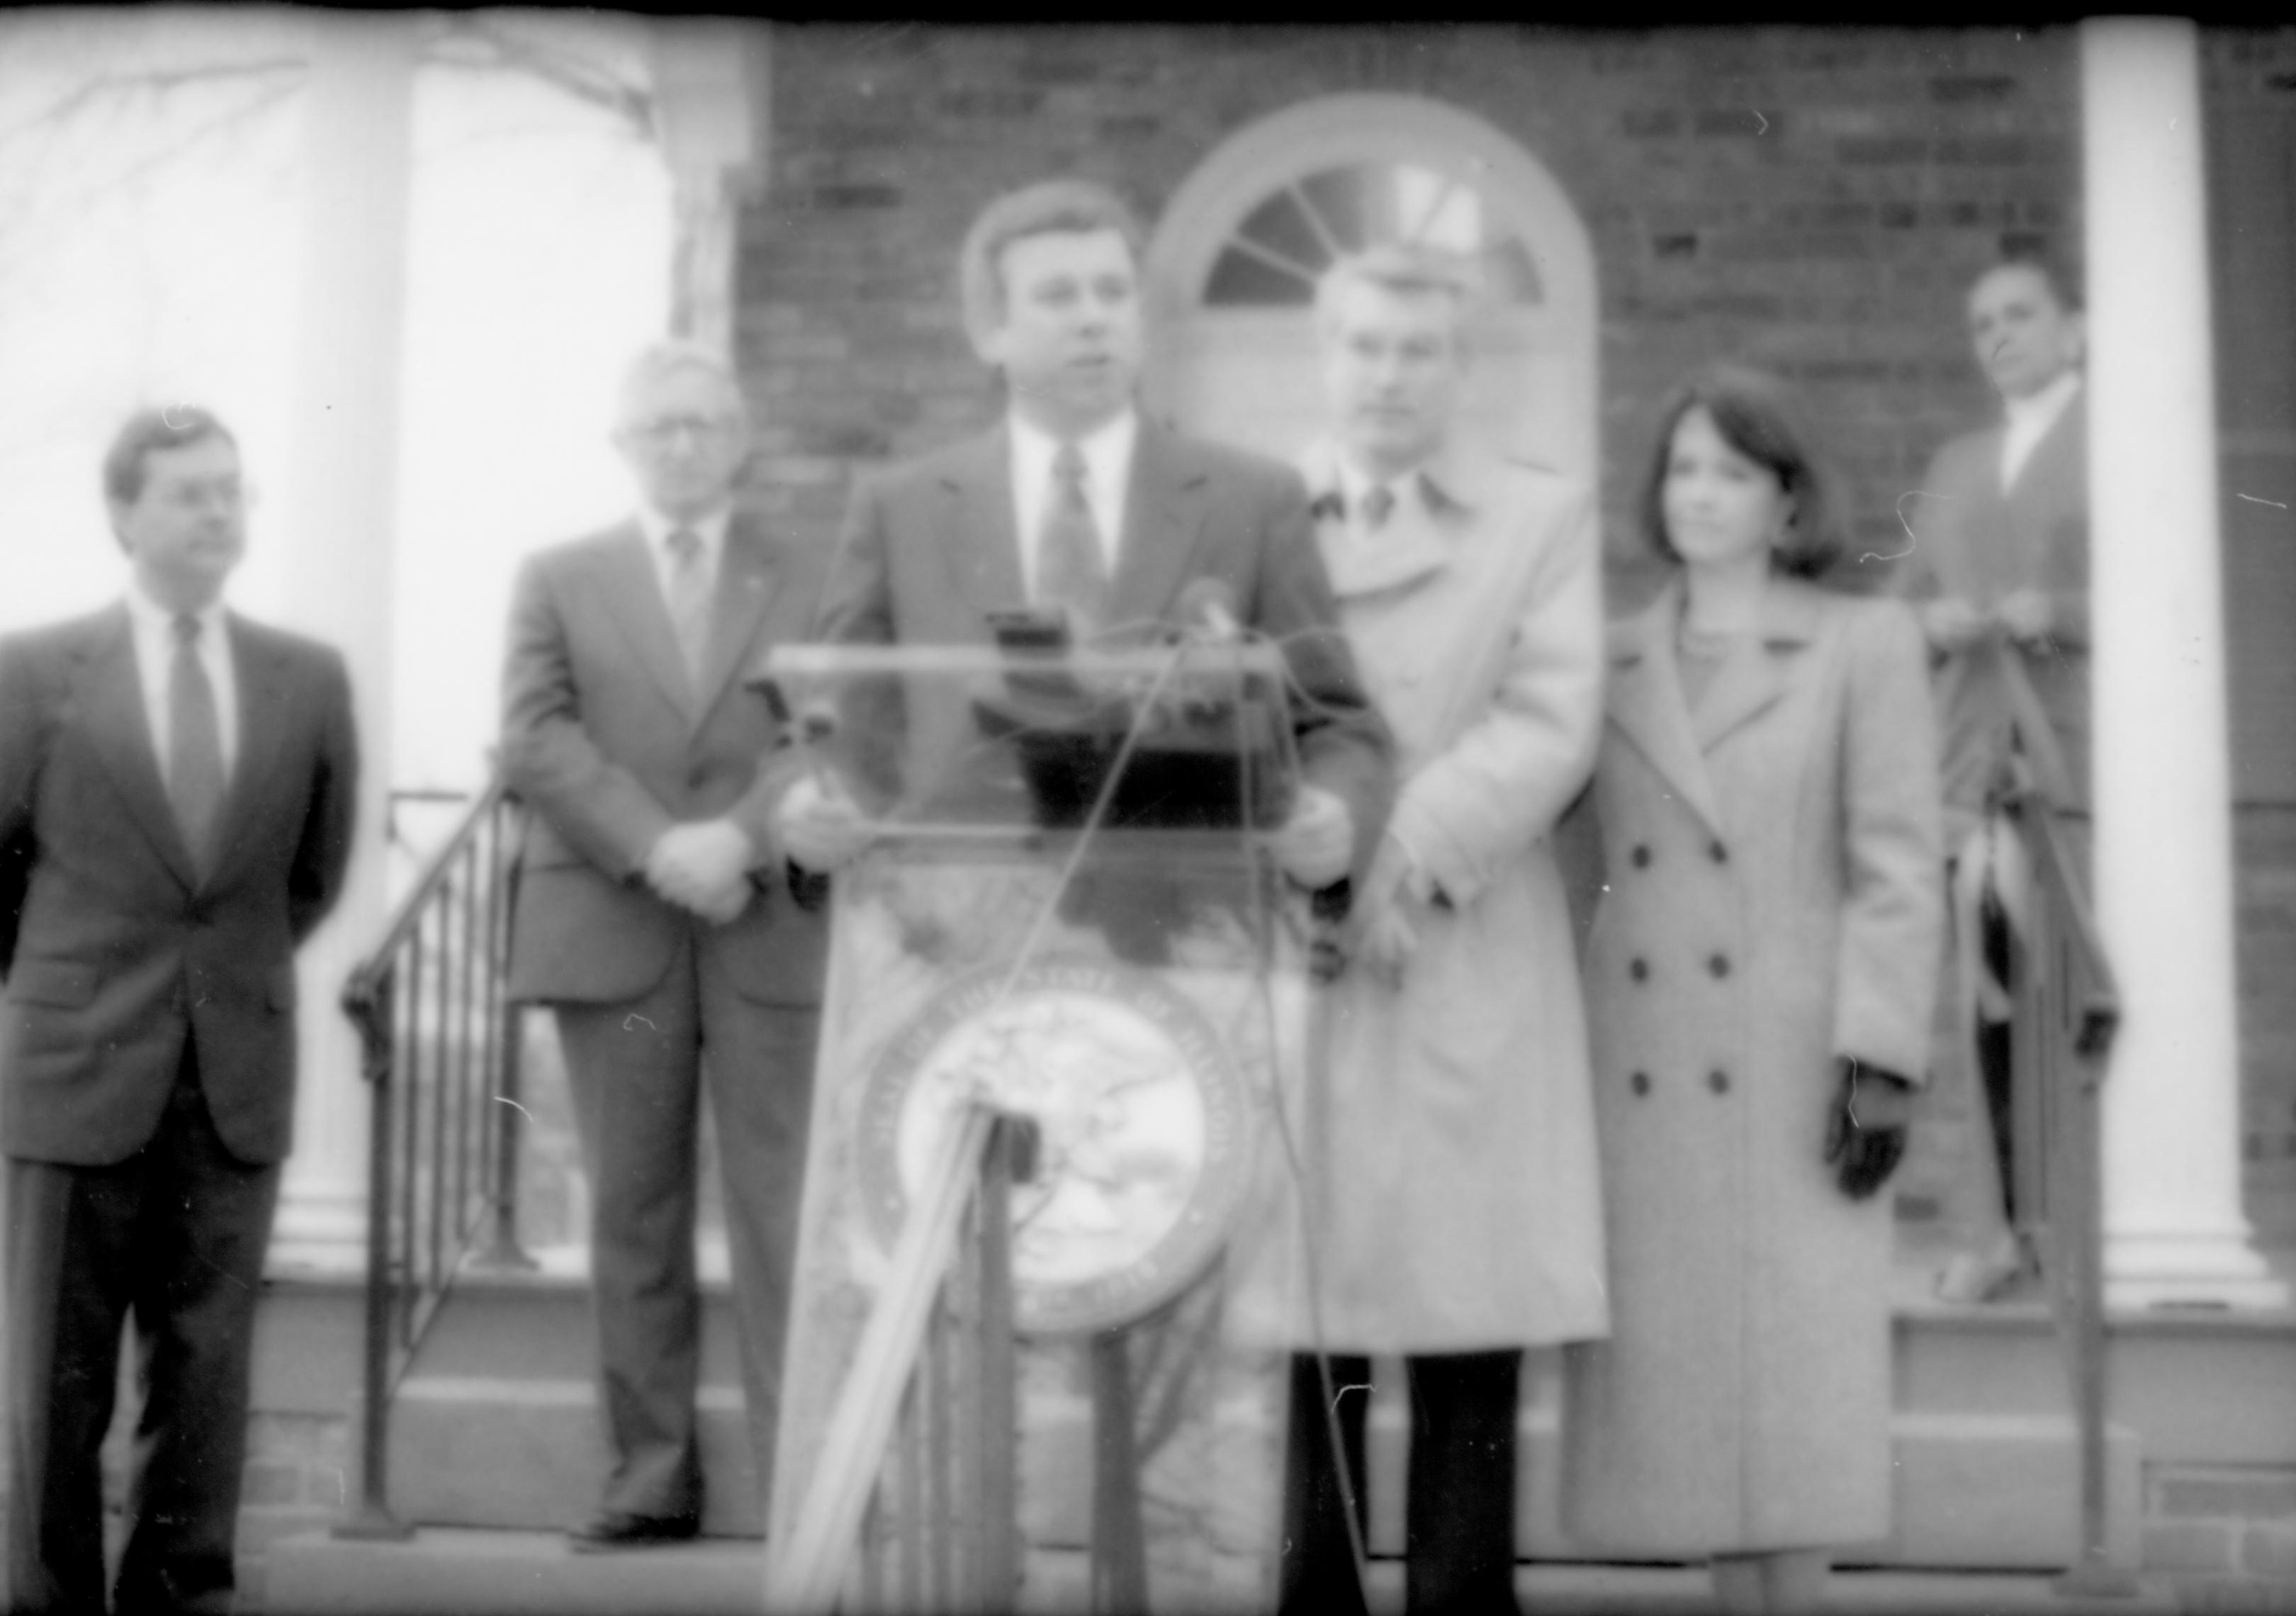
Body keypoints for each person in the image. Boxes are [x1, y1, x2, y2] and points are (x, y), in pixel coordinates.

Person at [1561, 368, 1944, 1614]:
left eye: (1732, 470)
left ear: (1788, 501)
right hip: (1645, 1066)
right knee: (1689, 1405)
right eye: (1682, 468)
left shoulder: (1859, 642)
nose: (1701, 494)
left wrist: (1880, 1058)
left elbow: (1895, 865)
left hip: (1798, 1066)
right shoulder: (1607, 658)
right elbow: (1576, 872)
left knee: (1793, 1394)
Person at [1278, 245, 1606, 1616]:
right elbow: (1222, 707)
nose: (1389, 374)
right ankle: (1320, 1600)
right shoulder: (1257, 518)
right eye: (1363, 345)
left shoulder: (1539, 519)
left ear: (1462, 370)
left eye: (1420, 349)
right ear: (1326, 356)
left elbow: (1551, 718)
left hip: (1464, 937)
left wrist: (1402, 844)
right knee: (1315, 1318)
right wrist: (1310, 860)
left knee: (1468, 1316)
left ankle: (1467, 1601)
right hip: (1303, 946)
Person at [777, 176, 1390, 908]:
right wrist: (811, 815)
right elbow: (840, 726)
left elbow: (1336, 723)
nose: (1093, 318)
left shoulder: (1253, 499)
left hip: (1192, 937)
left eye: (1113, 291)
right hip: (952, 933)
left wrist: (1332, 817)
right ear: (988, 333)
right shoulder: (897, 509)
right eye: (1058, 296)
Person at [1, 407, 359, 1615]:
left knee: (207, 1366)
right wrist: (81, 989)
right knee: (55, 1375)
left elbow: (308, 876)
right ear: (123, 515)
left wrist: (215, 991)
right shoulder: (32, 670)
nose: (220, 512)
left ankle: (181, 1592)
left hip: (232, 1071)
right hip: (74, 1065)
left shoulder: (306, 679)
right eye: (190, 492)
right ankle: (46, 1598)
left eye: (233, 490)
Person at [500, 340, 828, 1549]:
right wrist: (658, 844)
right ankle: (650, 1473)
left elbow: (842, 722)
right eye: (660, 429)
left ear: (739, 437)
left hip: (769, 921)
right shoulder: (559, 575)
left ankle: (809, 1479)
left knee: (785, 1208)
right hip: (616, 922)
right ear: (622, 447)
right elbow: (534, 738)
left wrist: (737, 837)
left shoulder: (812, 569)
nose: (684, 446)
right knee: (631, 1207)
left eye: (704, 424)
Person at [1891, 255, 2089, 1304]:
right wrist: (1929, 620)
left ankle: (2078, 1228)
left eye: (2020, 315)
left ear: (2077, 326)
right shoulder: (1961, 459)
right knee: (1984, 1006)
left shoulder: (2122, 436)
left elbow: (2180, 603)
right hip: (1974, 761)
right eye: (1983, 325)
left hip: (2080, 761)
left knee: (2073, 997)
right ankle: (1995, 1230)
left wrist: (2061, 612)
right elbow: (1904, 603)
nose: (2000, 336)